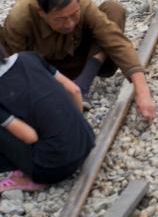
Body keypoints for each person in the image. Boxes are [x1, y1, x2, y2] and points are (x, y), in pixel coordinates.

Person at [2, 0, 156, 118]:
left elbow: (116, 41)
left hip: (81, 61)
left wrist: (142, 91)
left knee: (113, 10)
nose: (69, 24)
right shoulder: (20, 18)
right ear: (42, 14)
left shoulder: (82, 4)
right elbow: (15, 66)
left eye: (74, 15)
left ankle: (83, 83)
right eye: (60, 19)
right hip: (45, 72)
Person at [0, 42, 95, 192]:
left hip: (53, 169)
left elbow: (30, 137)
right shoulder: (28, 57)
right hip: (86, 140)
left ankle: (24, 177)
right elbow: (75, 90)